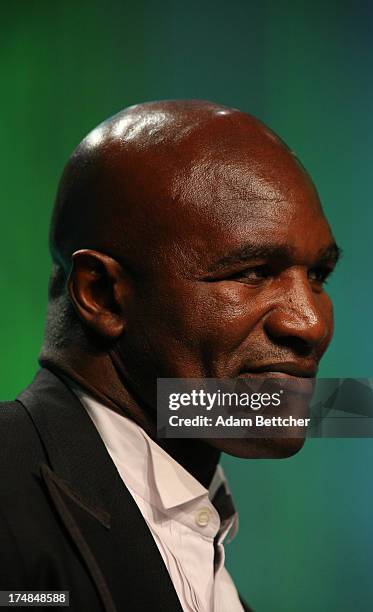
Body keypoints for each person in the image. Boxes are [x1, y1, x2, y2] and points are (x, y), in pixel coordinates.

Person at [0, 100, 340, 611]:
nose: (309, 323)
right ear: (101, 294)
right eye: (251, 272)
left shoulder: (203, 544)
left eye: (318, 276)